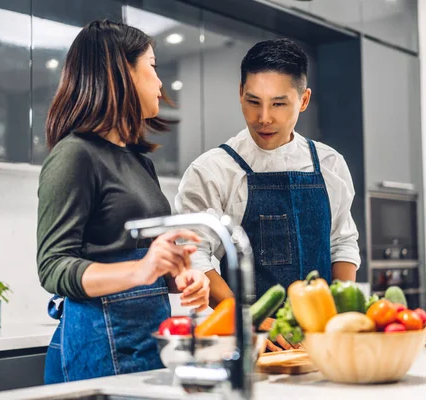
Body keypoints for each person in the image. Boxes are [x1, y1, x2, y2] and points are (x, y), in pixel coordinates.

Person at [36, 20, 210, 384]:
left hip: (147, 340)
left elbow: (146, 261)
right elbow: (53, 267)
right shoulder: (74, 155)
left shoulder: (138, 161)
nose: (161, 83)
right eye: (153, 66)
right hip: (98, 346)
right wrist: (142, 270)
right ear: (122, 72)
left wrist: (182, 277)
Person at [175, 38, 360, 308]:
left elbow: (342, 243)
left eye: (278, 104)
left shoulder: (330, 164)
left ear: (304, 100)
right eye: (253, 101)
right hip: (253, 339)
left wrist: (340, 314)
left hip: (322, 333)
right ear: (240, 92)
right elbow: (193, 255)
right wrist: (245, 319)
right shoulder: (212, 170)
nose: (263, 118)